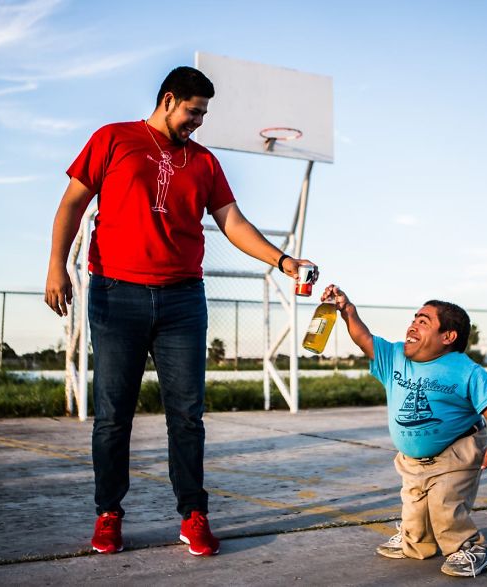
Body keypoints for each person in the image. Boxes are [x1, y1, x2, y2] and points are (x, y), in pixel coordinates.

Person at [44, 66, 317, 557]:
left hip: (182, 300)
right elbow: (71, 205)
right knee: (112, 416)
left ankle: (193, 515)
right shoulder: (113, 139)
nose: (199, 122)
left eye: (204, 114)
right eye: (195, 111)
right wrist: (56, 268)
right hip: (116, 294)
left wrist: (282, 260)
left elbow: (232, 220)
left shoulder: (204, 161)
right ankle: (109, 513)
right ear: (169, 99)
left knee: (187, 417)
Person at [320, 284, 487, 578]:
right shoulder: (395, 357)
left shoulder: (465, 370)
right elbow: (363, 338)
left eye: (424, 321)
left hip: (457, 451)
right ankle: (416, 540)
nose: (413, 325)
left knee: (445, 506)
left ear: (448, 337)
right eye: (414, 318)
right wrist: (348, 311)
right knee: (415, 512)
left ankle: (470, 548)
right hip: (411, 460)